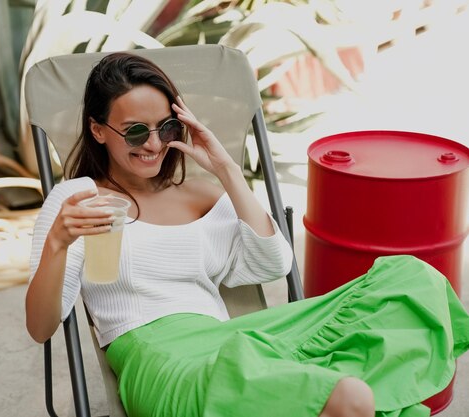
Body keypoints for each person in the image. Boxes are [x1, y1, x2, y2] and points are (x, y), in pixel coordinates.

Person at [26, 51, 469, 417]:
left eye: (166, 127)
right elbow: (42, 326)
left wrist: (226, 171)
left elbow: (272, 265)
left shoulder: (200, 194)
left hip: (236, 338)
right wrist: (58, 244)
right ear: (98, 130)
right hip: (166, 358)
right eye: (136, 131)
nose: (155, 144)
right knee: (351, 398)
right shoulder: (78, 200)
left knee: (411, 279)